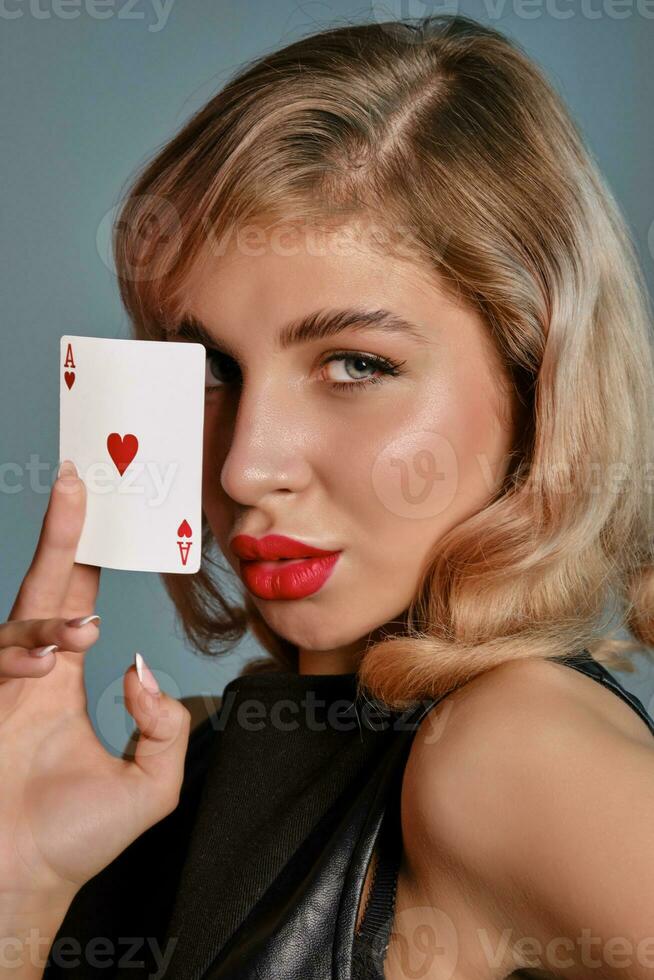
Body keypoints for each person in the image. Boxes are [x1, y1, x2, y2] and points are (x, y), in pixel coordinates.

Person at [2, 12, 653, 980]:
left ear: (535, 381)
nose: (244, 466)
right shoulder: (202, 757)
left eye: (355, 362)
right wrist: (25, 883)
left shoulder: (505, 748)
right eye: (215, 365)